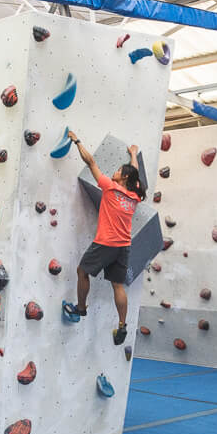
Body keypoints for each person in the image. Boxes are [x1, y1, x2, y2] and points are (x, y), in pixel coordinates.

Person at [61, 130, 140, 344]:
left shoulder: (110, 187)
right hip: (124, 246)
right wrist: (133, 154)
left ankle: (80, 307)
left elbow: (91, 162)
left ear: (123, 177)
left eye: (117, 170)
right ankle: (122, 325)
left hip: (106, 243)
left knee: (82, 271)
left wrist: (77, 140)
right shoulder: (134, 196)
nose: (114, 172)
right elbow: (135, 173)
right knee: (118, 286)